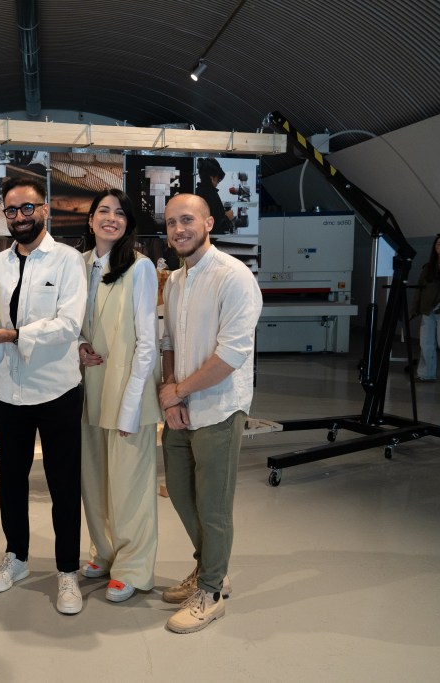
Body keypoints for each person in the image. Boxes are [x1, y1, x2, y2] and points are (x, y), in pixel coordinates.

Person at [0, 177, 88, 614]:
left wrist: (14, 334)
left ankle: (67, 572)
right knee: (11, 483)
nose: (19, 217)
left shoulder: (68, 261)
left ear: (45, 209)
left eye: (27, 208)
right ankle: (16, 557)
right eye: (11, 210)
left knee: (62, 485)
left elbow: (68, 325)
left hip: (56, 391)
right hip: (7, 392)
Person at [157, 193, 262, 634]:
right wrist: (172, 395)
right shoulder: (177, 281)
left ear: (208, 223)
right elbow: (169, 344)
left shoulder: (233, 277)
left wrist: (176, 392)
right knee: (183, 497)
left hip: (219, 408)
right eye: (170, 223)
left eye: (186, 220)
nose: (178, 229)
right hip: (182, 408)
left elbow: (229, 357)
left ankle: (213, 591)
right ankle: (207, 569)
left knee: (214, 506)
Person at [77, 189, 161, 603]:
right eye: (103, 211)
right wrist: (78, 345)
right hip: (89, 389)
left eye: (119, 213)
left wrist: (131, 406)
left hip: (128, 391)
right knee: (93, 480)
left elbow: (148, 340)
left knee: (130, 485)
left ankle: (132, 567)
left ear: (129, 223)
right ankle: (104, 553)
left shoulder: (140, 268)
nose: (111, 218)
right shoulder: (80, 265)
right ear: (90, 219)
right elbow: (73, 322)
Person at [412, 234, 440, 382]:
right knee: (425, 343)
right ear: (435, 246)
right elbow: (420, 288)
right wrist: (416, 307)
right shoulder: (428, 267)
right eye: (439, 243)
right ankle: (426, 374)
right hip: (427, 309)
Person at [195, 158, 235, 234]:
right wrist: (227, 217)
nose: (217, 183)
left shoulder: (197, 192)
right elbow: (215, 227)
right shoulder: (211, 195)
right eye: (217, 180)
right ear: (212, 178)